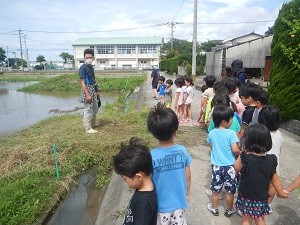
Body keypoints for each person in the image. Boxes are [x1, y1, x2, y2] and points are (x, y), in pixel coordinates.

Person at [234, 124, 288, 225]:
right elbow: (275, 179)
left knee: (246, 219)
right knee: (260, 219)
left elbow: (236, 169)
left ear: (248, 141)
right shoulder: (271, 159)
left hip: (246, 195)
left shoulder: (245, 157)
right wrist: (280, 192)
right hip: (261, 197)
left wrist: (241, 155)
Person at [147, 104, 192, 225]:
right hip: (179, 203)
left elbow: (149, 181)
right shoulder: (182, 150)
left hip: (161, 206)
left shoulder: (151, 156)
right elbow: (188, 175)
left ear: (153, 133)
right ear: (175, 131)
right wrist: (187, 193)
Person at [113, 137, 157, 225]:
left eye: (125, 179)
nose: (125, 183)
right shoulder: (147, 185)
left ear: (139, 177)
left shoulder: (143, 204)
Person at [206, 106, 240, 217]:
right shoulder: (231, 134)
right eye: (231, 119)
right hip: (230, 167)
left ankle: (214, 208)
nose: (232, 121)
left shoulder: (211, 133)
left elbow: (211, 147)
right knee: (230, 191)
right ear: (224, 122)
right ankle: (229, 209)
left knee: (216, 190)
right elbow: (235, 150)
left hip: (217, 167)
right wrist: (240, 152)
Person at [258, 106, 283, 211]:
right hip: (274, 165)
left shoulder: (260, 133)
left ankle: (255, 204)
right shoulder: (279, 134)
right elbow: (280, 149)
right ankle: (267, 204)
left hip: (260, 165)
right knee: (272, 186)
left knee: (258, 185)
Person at [78, 48, 100, 134]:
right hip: (87, 89)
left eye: (90, 57)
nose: (88, 59)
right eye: (87, 57)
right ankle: (88, 128)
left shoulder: (91, 67)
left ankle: (92, 124)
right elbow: (82, 82)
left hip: (93, 88)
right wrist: (87, 94)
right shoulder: (82, 68)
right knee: (87, 109)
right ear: (84, 58)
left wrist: (97, 90)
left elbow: (93, 79)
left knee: (95, 108)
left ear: (93, 58)